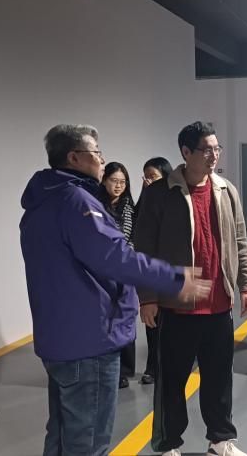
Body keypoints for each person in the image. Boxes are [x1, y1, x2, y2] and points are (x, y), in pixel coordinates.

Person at [20, 124, 211, 456]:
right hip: (89, 339)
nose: (102, 159)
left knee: (62, 436)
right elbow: (117, 258)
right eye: (96, 152)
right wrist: (175, 279)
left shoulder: (41, 203)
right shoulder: (76, 202)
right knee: (89, 441)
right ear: (74, 157)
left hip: (59, 339)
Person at [134, 122, 247, 456]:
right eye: (206, 150)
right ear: (186, 152)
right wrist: (147, 297)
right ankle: (168, 444)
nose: (214, 156)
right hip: (178, 306)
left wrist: (245, 283)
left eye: (217, 149)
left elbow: (240, 240)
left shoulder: (226, 190)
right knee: (171, 382)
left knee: (219, 379)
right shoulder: (161, 194)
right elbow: (144, 249)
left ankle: (220, 440)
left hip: (219, 304)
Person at [98, 161, 138, 389]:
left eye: (123, 182)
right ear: (104, 180)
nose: (119, 186)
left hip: (124, 270)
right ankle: (107, 368)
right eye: (114, 181)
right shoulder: (96, 205)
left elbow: (131, 237)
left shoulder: (129, 208)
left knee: (125, 319)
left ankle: (124, 370)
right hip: (102, 272)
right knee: (105, 320)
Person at [136, 156, 173, 385]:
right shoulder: (145, 200)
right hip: (151, 272)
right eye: (146, 177)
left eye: (154, 177)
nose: (149, 181)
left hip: (171, 270)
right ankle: (153, 366)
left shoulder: (175, 199)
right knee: (152, 322)